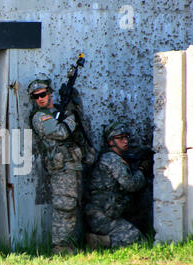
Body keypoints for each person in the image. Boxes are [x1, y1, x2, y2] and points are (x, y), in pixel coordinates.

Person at [28, 79, 83, 254]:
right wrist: (73, 117)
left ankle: (69, 245)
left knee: (73, 205)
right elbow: (60, 132)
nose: (40, 99)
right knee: (64, 206)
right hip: (61, 168)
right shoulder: (40, 116)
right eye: (35, 97)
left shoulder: (59, 111)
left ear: (50, 93)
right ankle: (60, 247)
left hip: (72, 164)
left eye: (42, 94)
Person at [84, 121, 150, 249]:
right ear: (110, 142)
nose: (125, 141)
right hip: (100, 217)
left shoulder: (116, 157)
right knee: (138, 240)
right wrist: (142, 170)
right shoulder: (112, 159)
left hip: (105, 214)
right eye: (120, 138)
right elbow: (130, 184)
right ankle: (100, 242)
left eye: (126, 137)